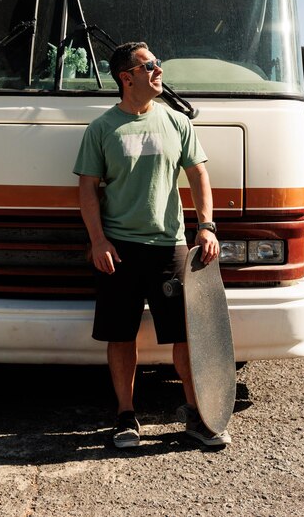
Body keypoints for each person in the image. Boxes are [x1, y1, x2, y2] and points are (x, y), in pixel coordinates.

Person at [73, 41, 231, 448]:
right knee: (120, 335)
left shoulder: (178, 122)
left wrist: (207, 227)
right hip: (119, 250)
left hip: (170, 247)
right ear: (127, 78)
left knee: (186, 335)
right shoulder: (102, 128)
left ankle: (199, 415)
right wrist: (98, 241)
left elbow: (199, 177)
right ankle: (126, 417)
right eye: (150, 66)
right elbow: (88, 189)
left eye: (158, 64)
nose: (159, 71)